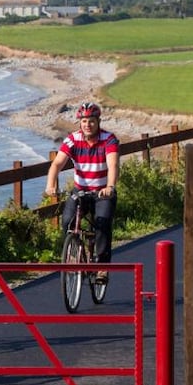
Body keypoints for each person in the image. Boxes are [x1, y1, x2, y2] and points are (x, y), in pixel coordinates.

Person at [45, 100, 120, 283]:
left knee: (102, 226)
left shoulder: (108, 139)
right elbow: (57, 163)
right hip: (80, 191)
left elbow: (113, 164)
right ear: (80, 122)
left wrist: (110, 187)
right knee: (67, 222)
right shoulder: (72, 139)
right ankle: (73, 255)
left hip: (102, 192)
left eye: (92, 121)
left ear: (98, 121)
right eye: (84, 121)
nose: (88, 125)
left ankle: (102, 267)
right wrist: (50, 184)